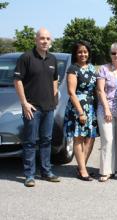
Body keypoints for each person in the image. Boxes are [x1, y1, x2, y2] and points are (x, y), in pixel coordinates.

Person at [13, 28, 61, 187]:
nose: (45, 41)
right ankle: (29, 175)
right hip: (32, 108)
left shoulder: (53, 59)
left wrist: (54, 97)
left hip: (48, 108)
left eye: (48, 38)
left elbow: (55, 79)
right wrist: (24, 103)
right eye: (42, 38)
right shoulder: (26, 58)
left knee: (46, 140)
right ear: (36, 40)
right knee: (30, 142)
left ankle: (46, 172)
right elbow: (17, 81)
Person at [64, 41, 98, 181]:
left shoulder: (91, 67)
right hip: (78, 107)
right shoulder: (73, 69)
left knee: (90, 137)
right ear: (75, 54)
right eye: (80, 52)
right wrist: (80, 112)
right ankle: (83, 170)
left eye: (85, 51)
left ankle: (81, 166)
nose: (83, 54)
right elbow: (71, 92)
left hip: (91, 106)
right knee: (78, 137)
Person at [96, 43, 117, 182]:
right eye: (114, 53)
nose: (116, 56)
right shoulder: (103, 69)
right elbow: (100, 90)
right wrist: (107, 109)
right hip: (106, 110)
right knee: (108, 140)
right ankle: (106, 170)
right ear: (110, 55)